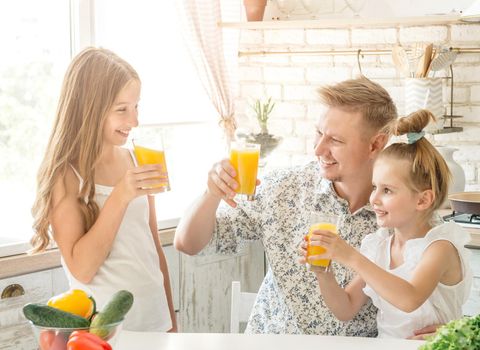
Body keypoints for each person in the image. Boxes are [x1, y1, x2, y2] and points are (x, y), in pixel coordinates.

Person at [175, 77, 399, 335]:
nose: (318, 149)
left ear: (375, 144)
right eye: (318, 133)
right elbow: (187, 243)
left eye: (335, 140)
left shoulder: (402, 213)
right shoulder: (283, 188)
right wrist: (211, 193)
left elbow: (423, 293)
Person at [31, 47, 177, 332]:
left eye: (136, 107)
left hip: (155, 321)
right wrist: (121, 195)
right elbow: (82, 269)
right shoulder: (66, 176)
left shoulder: (134, 159)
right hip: (103, 333)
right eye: (122, 110)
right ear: (89, 110)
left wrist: (171, 320)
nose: (134, 121)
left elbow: (154, 248)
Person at [299, 109, 472, 338]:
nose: (374, 199)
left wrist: (351, 256)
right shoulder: (380, 247)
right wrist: (323, 271)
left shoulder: (439, 247)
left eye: (387, 190)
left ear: (422, 200)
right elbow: (346, 308)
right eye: (374, 187)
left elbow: (410, 298)